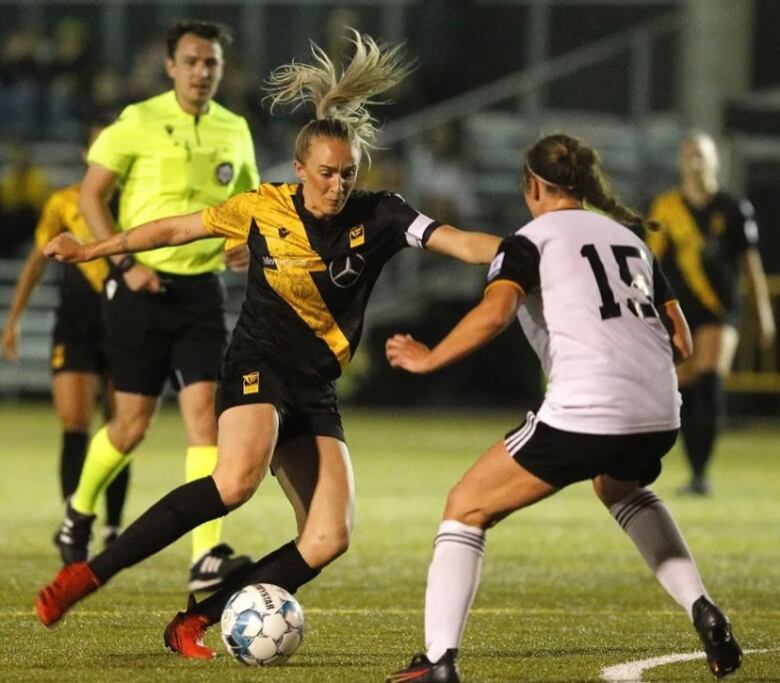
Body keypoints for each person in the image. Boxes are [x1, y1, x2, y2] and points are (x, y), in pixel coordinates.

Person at [35, 31, 501, 659]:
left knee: (329, 536)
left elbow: (463, 243)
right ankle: (86, 575)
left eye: (348, 174)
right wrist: (93, 249)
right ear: (301, 167)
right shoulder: (263, 207)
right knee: (234, 481)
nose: (338, 185)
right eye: (327, 174)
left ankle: (195, 621)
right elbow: (174, 226)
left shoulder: (382, 214)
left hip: (315, 385)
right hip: (256, 365)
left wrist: (526, 253)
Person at [384, 134, 743, 683]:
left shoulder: (529, 240)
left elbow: (493, 314)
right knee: (618, 486)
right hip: (660, 411)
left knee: (465, 507)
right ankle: (703, 609)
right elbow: (683, 342)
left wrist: (429, 358)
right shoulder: (630, 239)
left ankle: (439, 663)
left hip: (588, 410)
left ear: (532, 184)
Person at [52, 20, 260, 592]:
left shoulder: (234, 129)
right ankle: (78, 512)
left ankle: (204, 558)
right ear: (170, 66)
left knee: (205, 424)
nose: (201, 72)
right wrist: (125, 265)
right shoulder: (136, 121)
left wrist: (243, 243)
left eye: (211, 63)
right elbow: (91, 194)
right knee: (130, 427)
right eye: (191, 61)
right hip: (139, 290)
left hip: (201, 293)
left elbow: (245, 205)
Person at [1, 124, 128, 547]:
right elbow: (37, 263)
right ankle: (75, 519)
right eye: (97, 145)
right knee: (74, 424)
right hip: (75, 322)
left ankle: (112, 525)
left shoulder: (134, 199)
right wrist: (13, 320)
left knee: (119, 425)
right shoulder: (62, 202)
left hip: (123, 319)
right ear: (86, 152)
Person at [648, 132, 775, 496]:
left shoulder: (733, 208)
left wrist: (762, 311)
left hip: (720, 310)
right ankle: (696, 473)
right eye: (689, 154)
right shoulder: (667, 207)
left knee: (708, 381)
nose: (695, 161)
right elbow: (651, 260)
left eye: (702, 154)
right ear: (680, 161)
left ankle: (703, 471)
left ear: (715, 161)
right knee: (684, 390)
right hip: (679, 311)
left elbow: (751, 263)